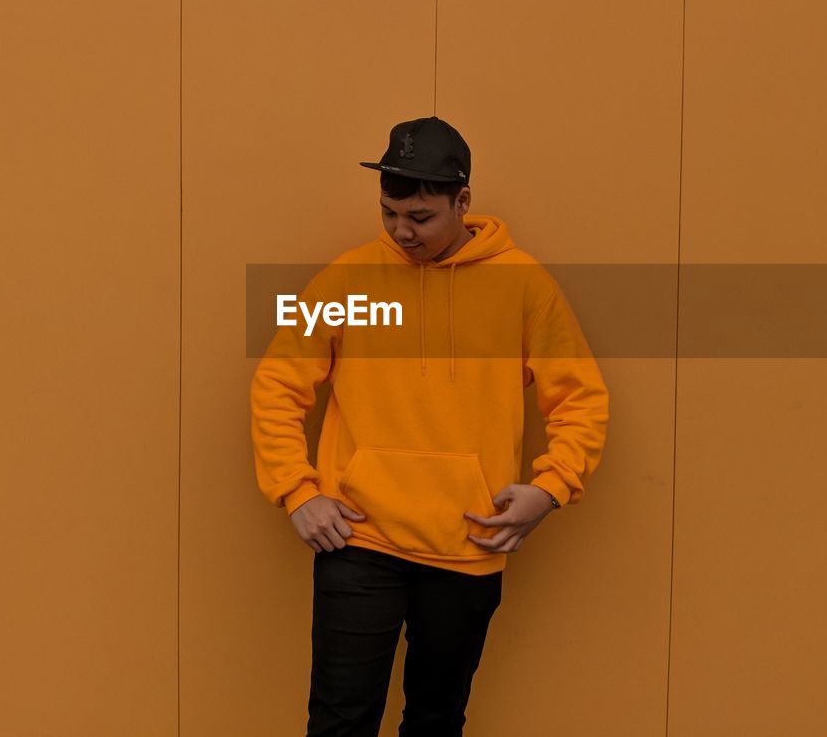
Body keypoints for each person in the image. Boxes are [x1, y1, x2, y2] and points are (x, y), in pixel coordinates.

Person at [250, 115, 610, 736]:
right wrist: (297, 491)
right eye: (390, 213)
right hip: (358, 540)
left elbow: (580, 397)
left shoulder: (523, 284)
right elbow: (277, 385)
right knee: (339, 721)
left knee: (437, 722)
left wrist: (551, 487)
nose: (401, 231)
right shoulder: (348, 281)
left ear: (462, 201)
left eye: (420, 217)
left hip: (467, 543)